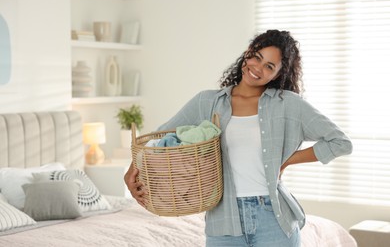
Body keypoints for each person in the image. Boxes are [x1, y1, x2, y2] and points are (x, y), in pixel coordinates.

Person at [124, 29, 353, 247]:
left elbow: (340, 143)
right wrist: (131, 171)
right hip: (224, 221)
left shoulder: (288, 105)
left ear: (278, 74)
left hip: (273, 219)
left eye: (269, 66)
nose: (258, 68)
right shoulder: (207, 102)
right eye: (257, 57)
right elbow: (158, 140)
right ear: (248, 52)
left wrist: (287, 160)